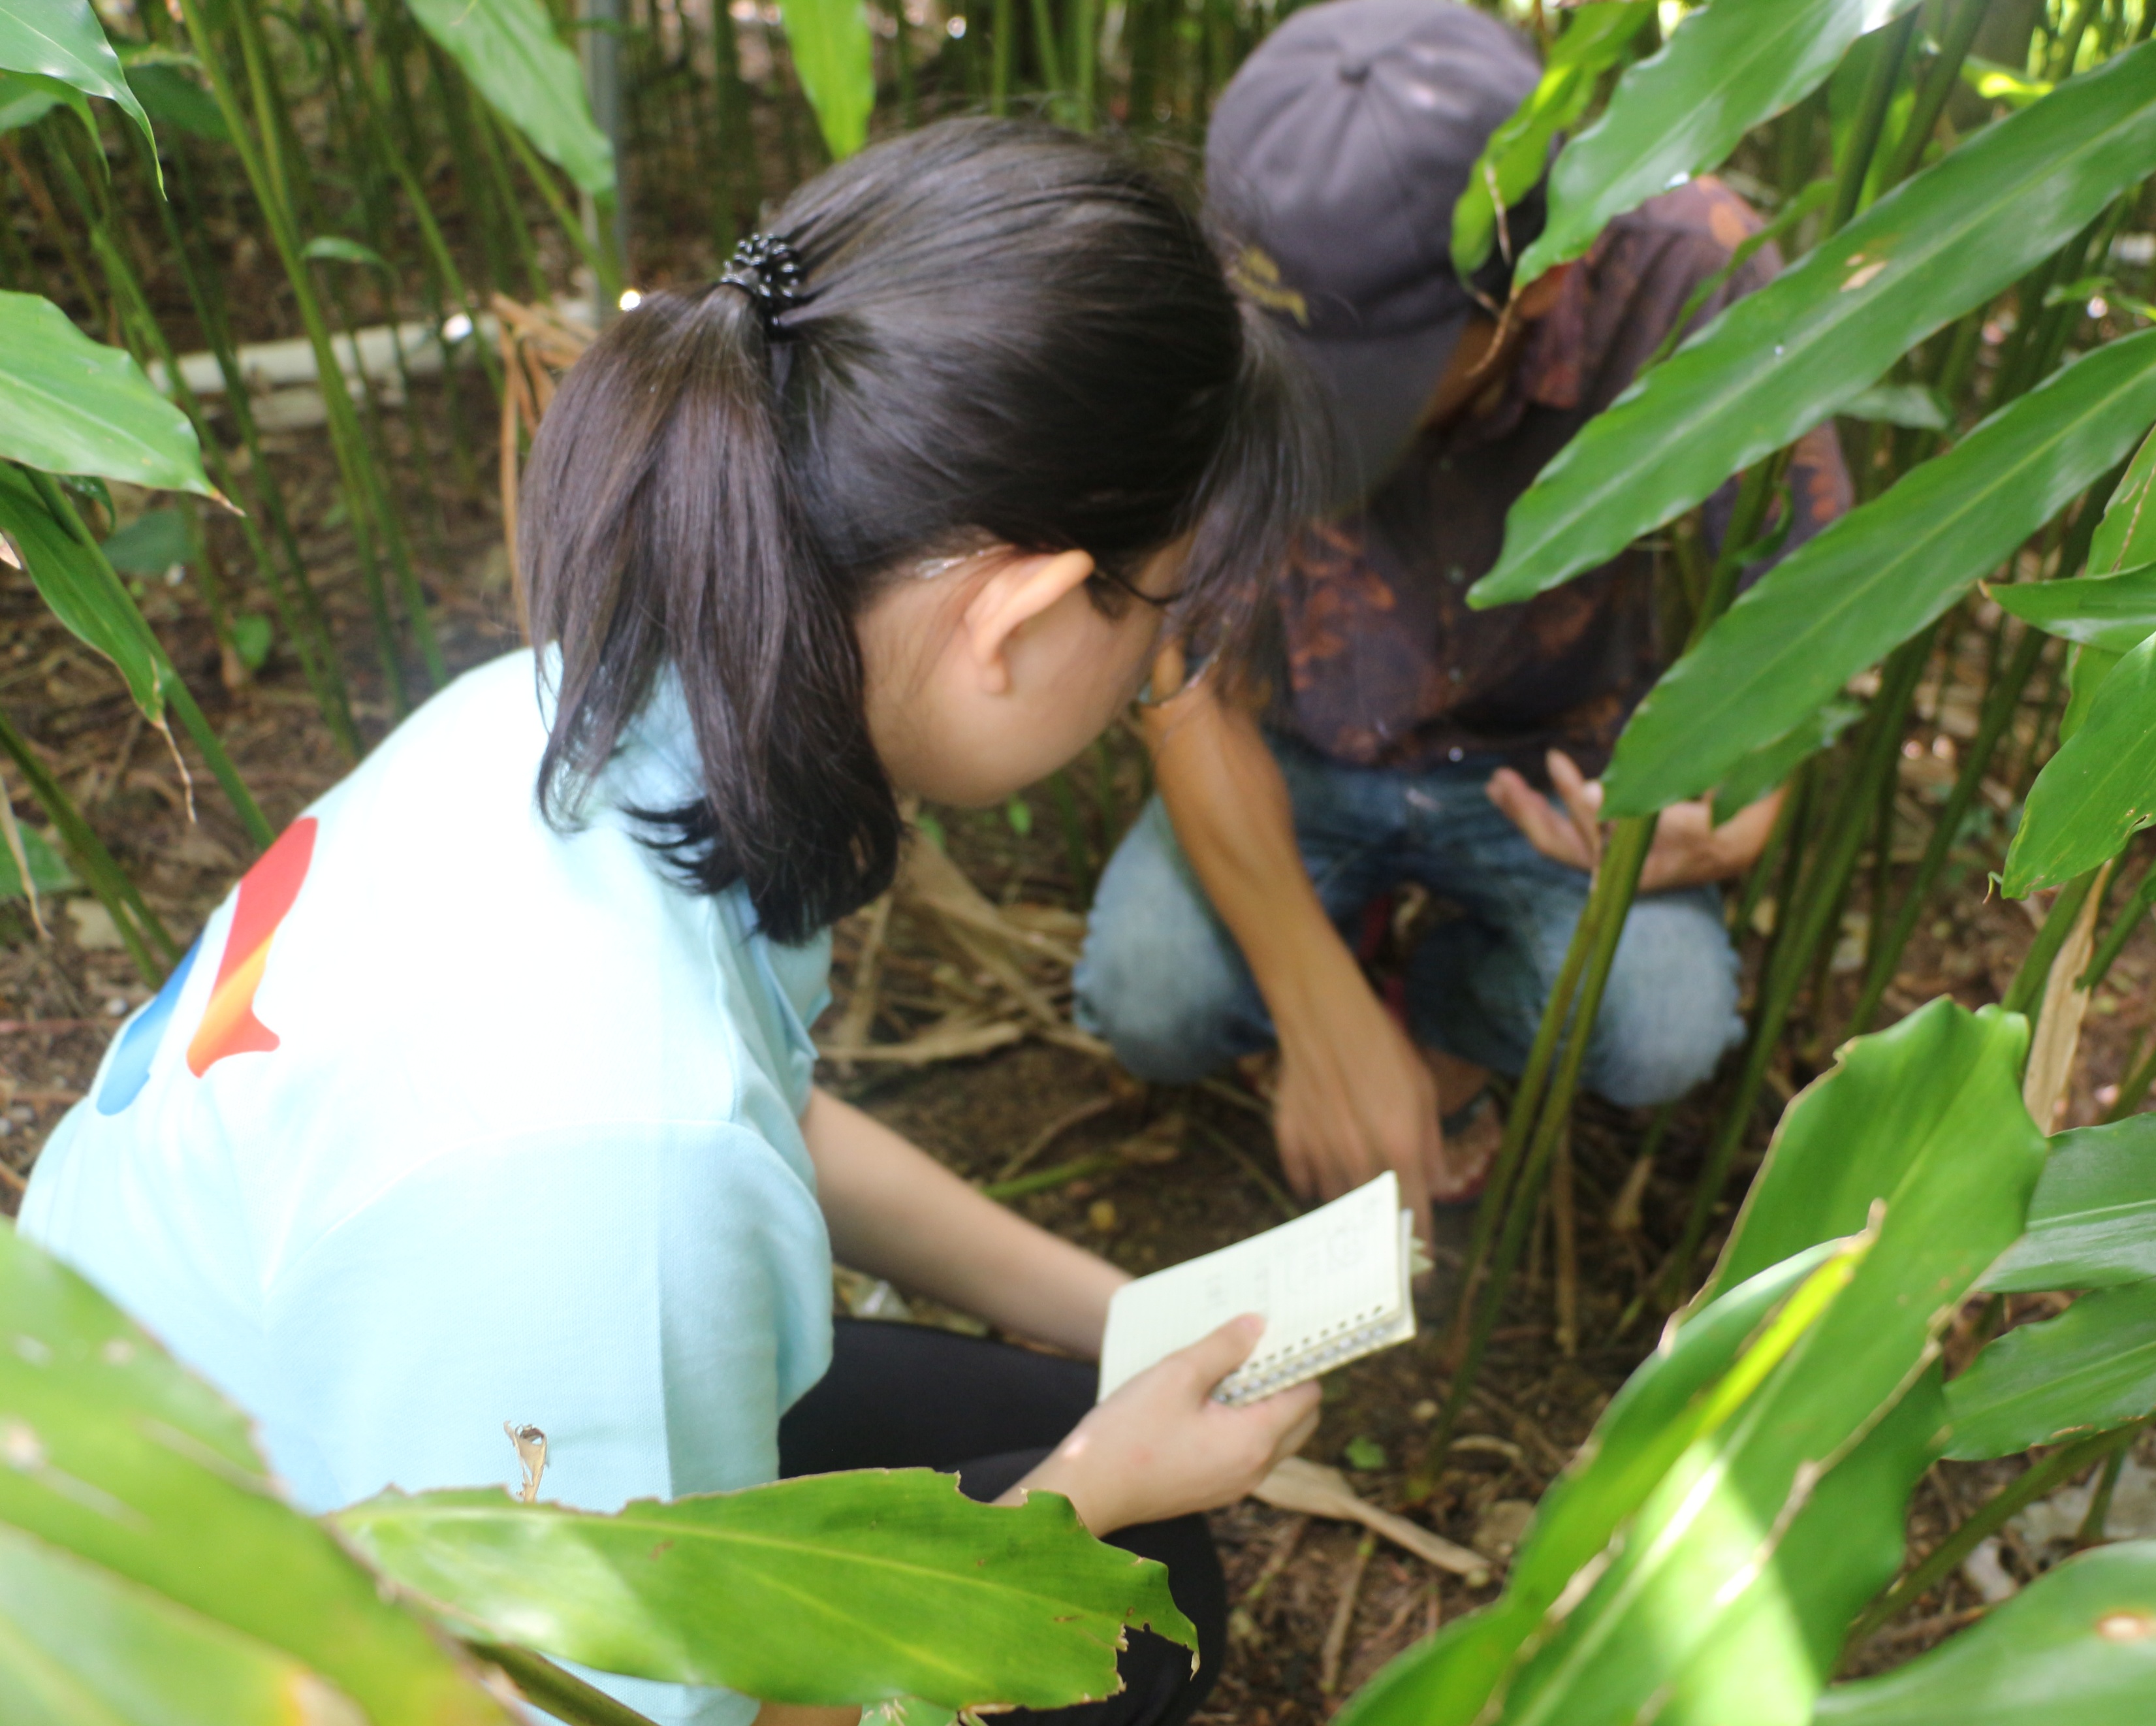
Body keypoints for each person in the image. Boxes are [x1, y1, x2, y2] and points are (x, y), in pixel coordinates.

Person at [21, 120, 1325, 1726]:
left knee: (1146, 1566)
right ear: (1027, 614)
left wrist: (1125, 1320)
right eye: (1167, 614)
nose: (1154, 675)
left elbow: (765, 1113)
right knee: (1112, 1618)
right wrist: (1079, 1494)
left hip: (226, 1455)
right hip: (229, 1657)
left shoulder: (597, 723)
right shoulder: (612, 1152)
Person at [1072, 0, 1852, 1214]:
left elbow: (1813, 609)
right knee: (1149, 995)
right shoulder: (1243, 278)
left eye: (1357, 387)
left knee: (1660, 1029)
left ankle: (1441, 1007)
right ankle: (1350, 956)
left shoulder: (1692, 277)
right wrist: (1317, 1011)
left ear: (1538, 289)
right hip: (1298, 746)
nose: (1305, 416)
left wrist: (1742, 808)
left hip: (1553, 777)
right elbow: (1188, 677)